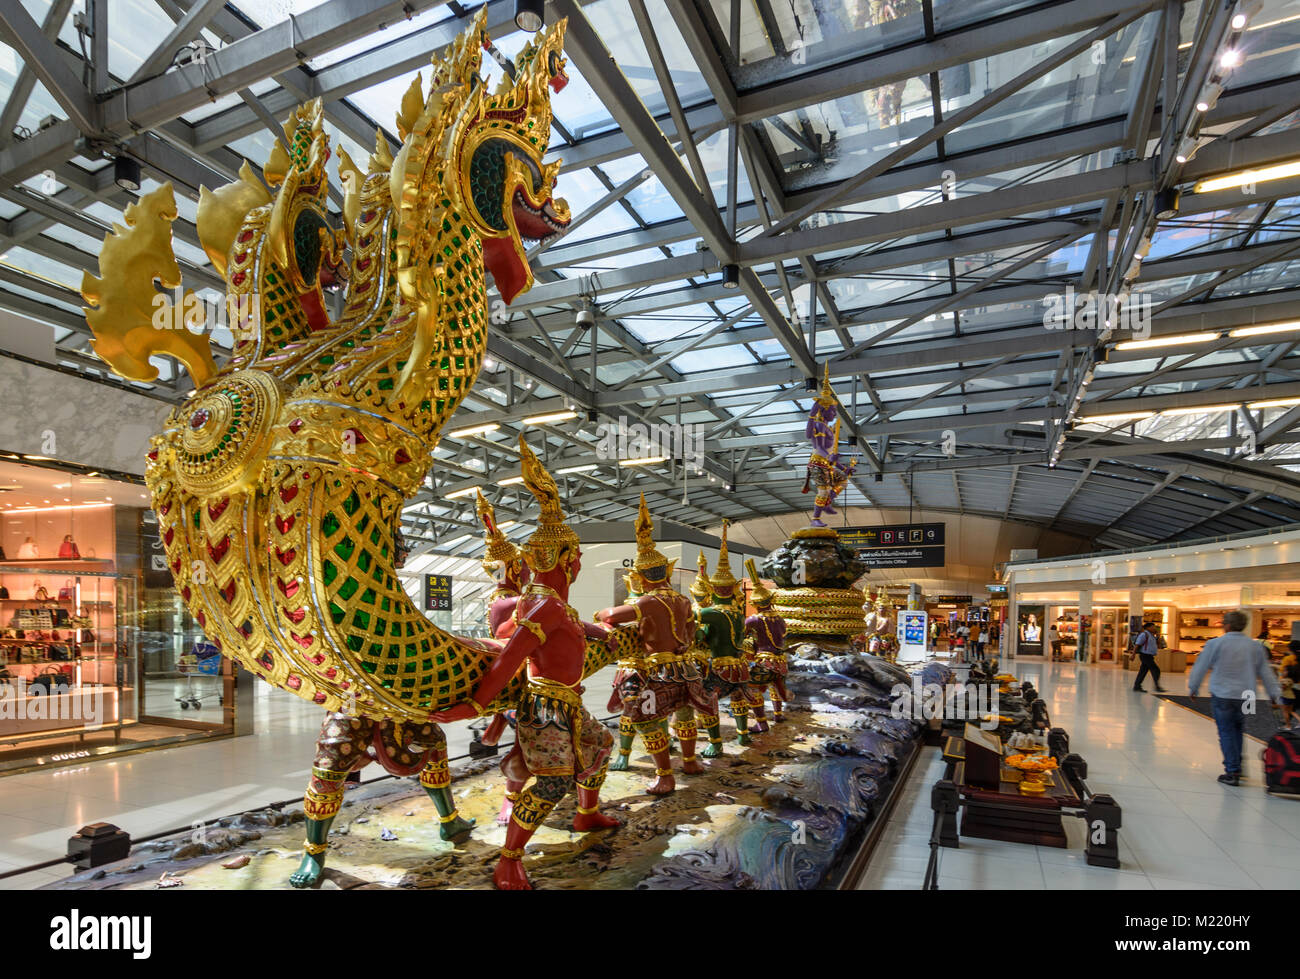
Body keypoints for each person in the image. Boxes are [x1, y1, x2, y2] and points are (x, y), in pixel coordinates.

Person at [1188, 610, 1284, 785]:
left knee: (1226, 731)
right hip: (1248, 695)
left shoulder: (1215, 644)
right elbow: (1265, 672)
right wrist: (1274, 694)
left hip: (1222, 693)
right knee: (1239, 728)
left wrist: (1193, 687)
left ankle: (1232, 770)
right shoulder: (1255, 646)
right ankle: (1238, 765)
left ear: (1227, 625)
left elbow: (1201, 666)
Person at [1131, 621, 1166, 693]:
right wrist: (1133, 654)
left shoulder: (1152, 636)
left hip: (1149, 656)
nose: (1154, 628)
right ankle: (1157, 686)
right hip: (1145, 655)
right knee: (1156, 670)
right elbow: (1137, 645)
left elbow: (1159, 645)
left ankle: (1137, 686)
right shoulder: (1144, 634)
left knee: (1143, 671)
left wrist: (1158, 636)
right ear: (1148, 628)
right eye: (1153, 627)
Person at [1279, 640, 1299, 730]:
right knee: (1293, 707)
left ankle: (1287, 724)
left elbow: (1282, 672)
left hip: (1290, 687)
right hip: (1297, 686)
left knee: (1287, 708)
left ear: (1290, 649)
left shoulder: (1288, 659)